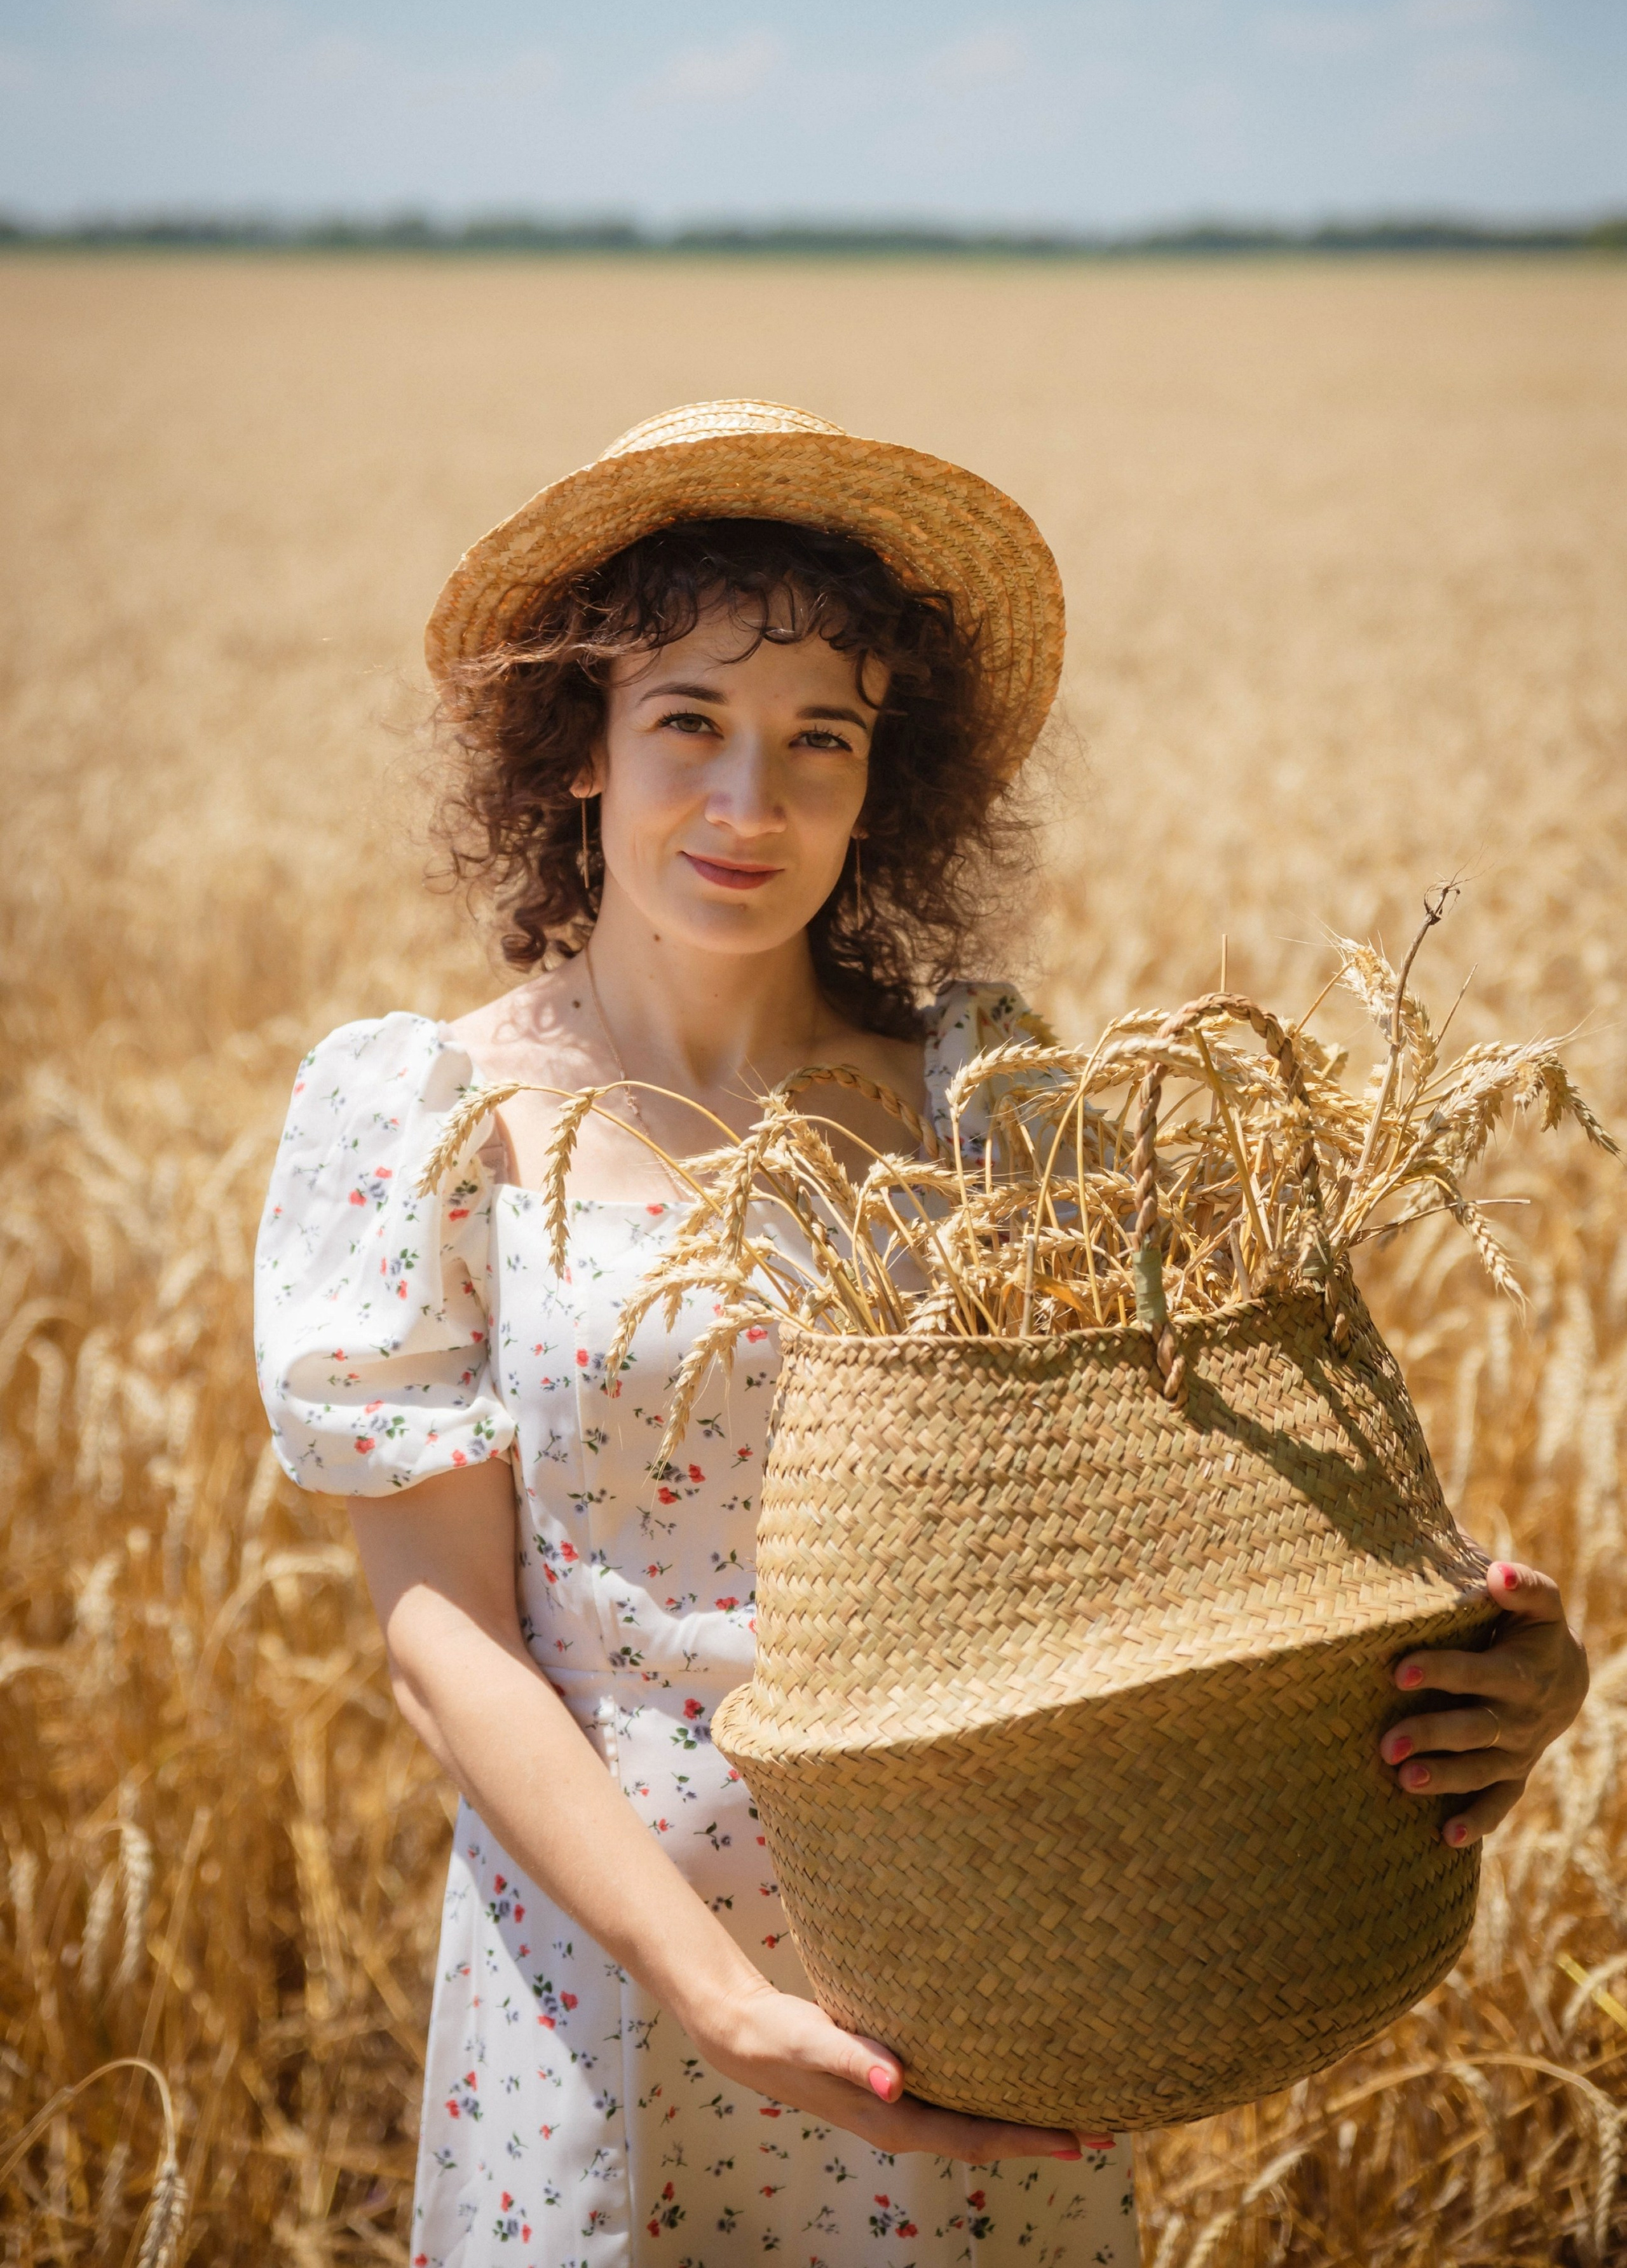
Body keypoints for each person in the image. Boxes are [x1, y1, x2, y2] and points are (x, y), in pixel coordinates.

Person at [254, 400, 1588, 2268]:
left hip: (982, 1954)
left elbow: (1174, 1530)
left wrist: (1468, 1671)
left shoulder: (991, 1096)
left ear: (892, 776)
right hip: (612, 1967)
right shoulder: (423, 1123)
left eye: (824, 739)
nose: (753, 803)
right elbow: (442, 1634)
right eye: (688, 725)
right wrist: (708, 1986)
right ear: (577, 747)